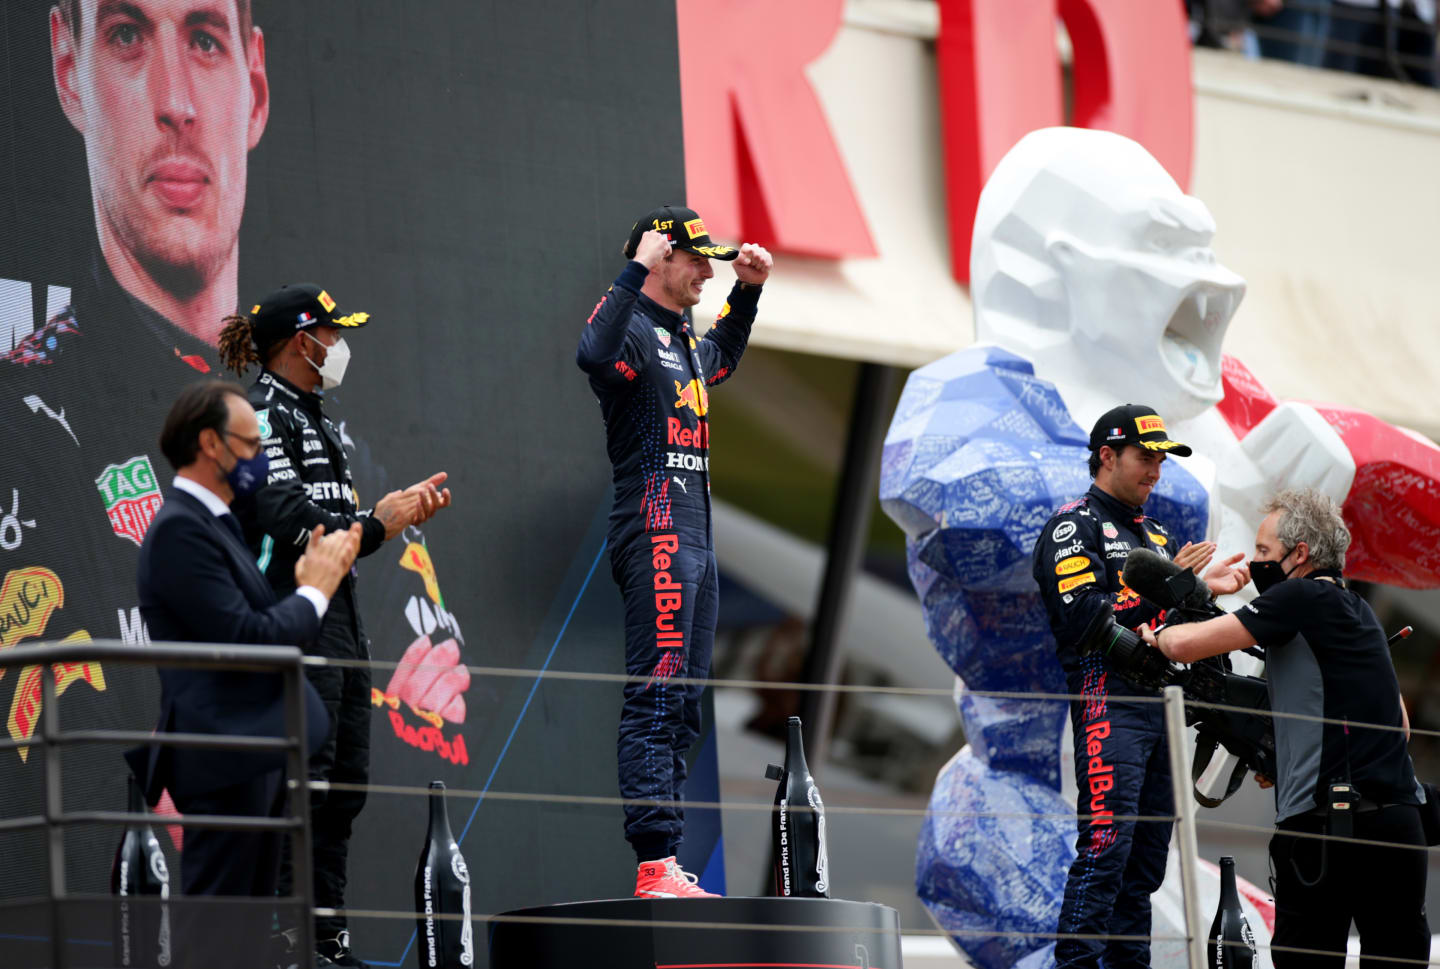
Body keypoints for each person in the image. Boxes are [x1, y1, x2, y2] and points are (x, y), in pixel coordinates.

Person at [218, 283, 452, 968]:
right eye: (333, 332)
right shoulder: (259, 412)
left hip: (339, 625)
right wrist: (381, 521)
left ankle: (327, 940)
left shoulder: (318, 418)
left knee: (345, 785)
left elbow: (339, 532)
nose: (339, 345)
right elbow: (296, 525)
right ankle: (287, 941)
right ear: (302, 341)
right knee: (304, 783)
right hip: (291, 626)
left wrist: (386, 516)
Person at [126, 380, 359, 969]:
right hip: (222, 758)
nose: (259, 460)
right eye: (251, 445)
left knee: (245, 937)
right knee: (217, 934)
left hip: (251, 755)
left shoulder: (220, 526)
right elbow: (247, 642)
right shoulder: (181, 528)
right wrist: (313, 592)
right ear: (211, 443)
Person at [1145, 488, 1429, 969]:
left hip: (1327, 829)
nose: (1255, 564)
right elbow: (1398, 728)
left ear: (1299, 555)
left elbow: (1185, 646)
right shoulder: (1357, 609)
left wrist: (1161, 627)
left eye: (1262, 552)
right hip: (1400, 828)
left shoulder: (1300, 594)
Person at [575, 204, 772, 898]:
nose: (706, 270)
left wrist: (746, 290)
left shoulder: (682, 337)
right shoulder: (627, 327)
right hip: (655, 527)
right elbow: (591, 354)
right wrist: (633, 265)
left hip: (697, 535)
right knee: (657, 692)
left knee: (684, 700)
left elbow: (720, 360)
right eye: (695, 258)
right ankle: (653, 862)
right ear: (659, 255)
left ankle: (667, 861)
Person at [1031, 404, 1248, 969]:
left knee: (1146, 864)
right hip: (1108, 698)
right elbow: (1085, 618)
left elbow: (1170, 624)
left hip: (1162, 705)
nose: (1156, 471)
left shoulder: (1152, 532)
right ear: (1107, 456)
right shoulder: (1071, 525)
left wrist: (1204, 591)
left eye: (1161, 460)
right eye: (1146, 458)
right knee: (1106, 848)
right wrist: (1171, 585)